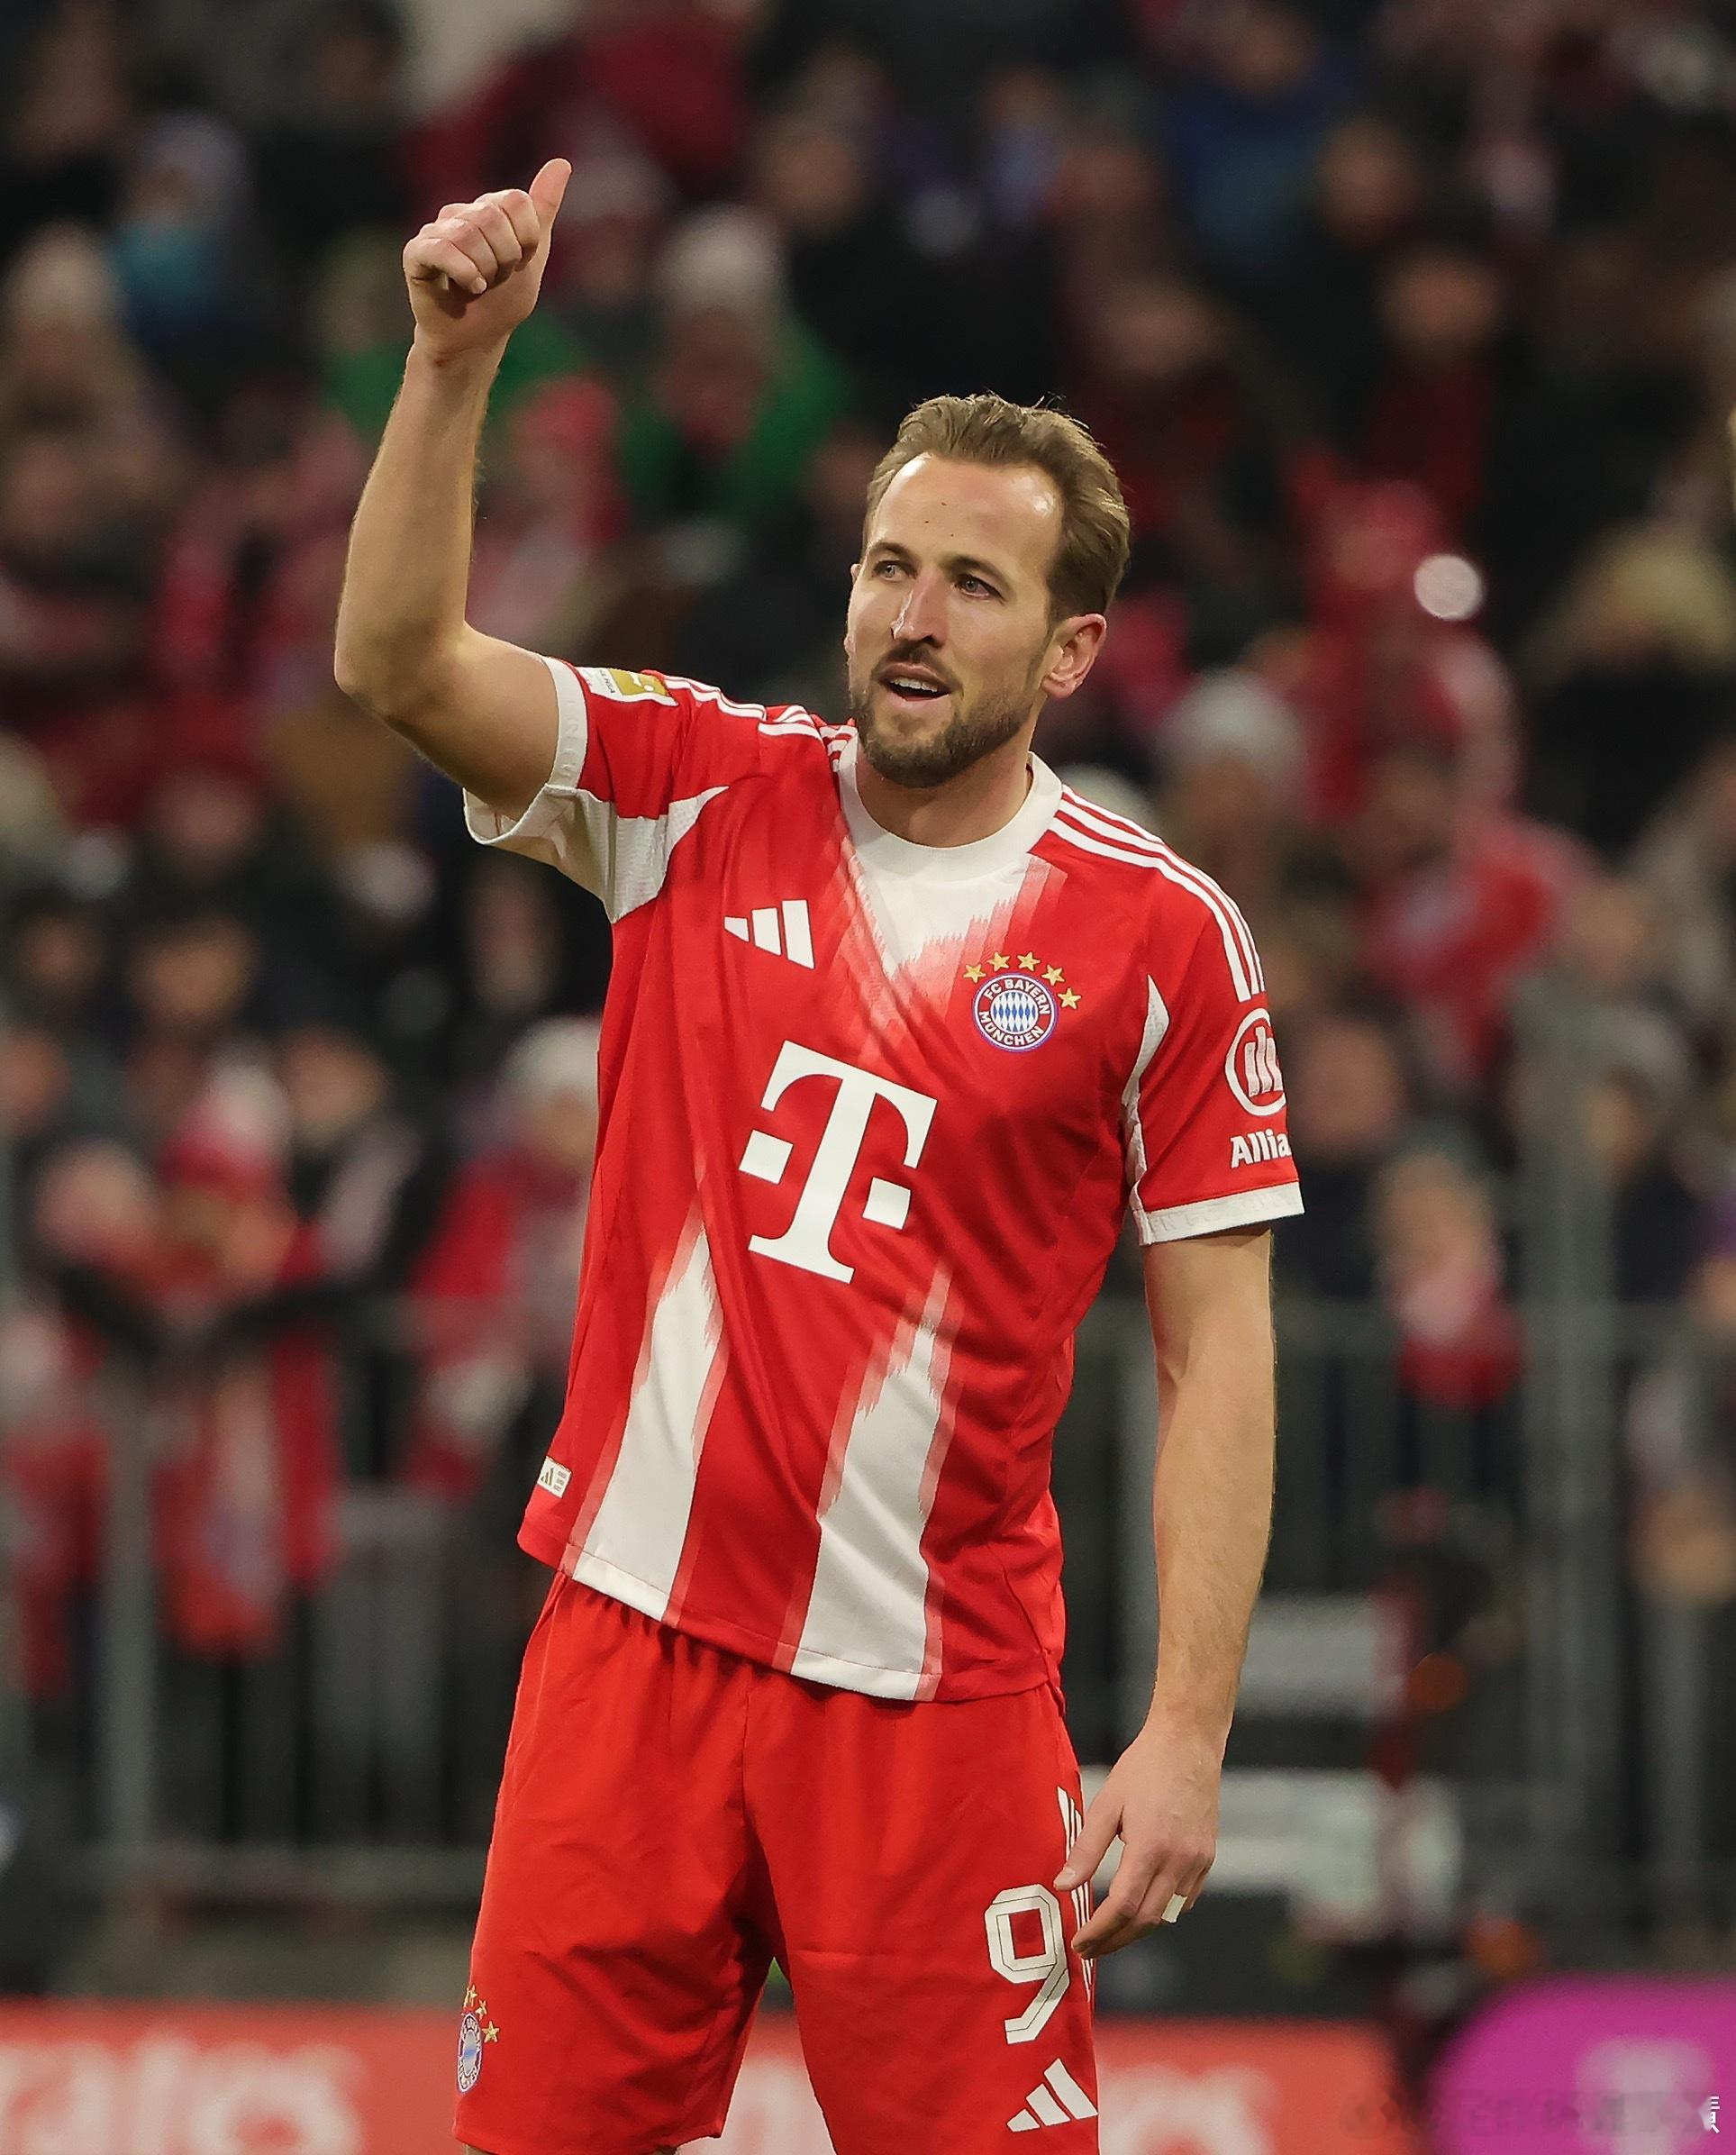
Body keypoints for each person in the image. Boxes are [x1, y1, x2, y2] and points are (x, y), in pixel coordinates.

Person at [335, 159, 1302, 2155]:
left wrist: (1187, 1729)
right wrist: (449, 371)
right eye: (888, 567)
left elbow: (1218, 1349)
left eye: (973, 585)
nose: (911, 617)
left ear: (1070, 650)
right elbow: (400, 667)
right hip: (627, 1650)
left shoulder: (1160, 937)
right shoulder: (695, 786)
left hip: (937, 1705)